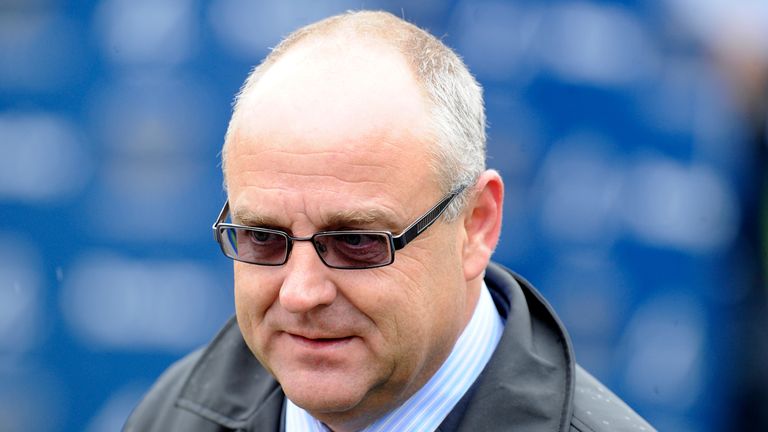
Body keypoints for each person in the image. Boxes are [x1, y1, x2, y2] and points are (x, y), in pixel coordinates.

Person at [124, 10, 655, 432]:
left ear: (476, 224)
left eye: (356, 241)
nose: (302, 293)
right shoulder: (173, 415)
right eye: (264, 238)